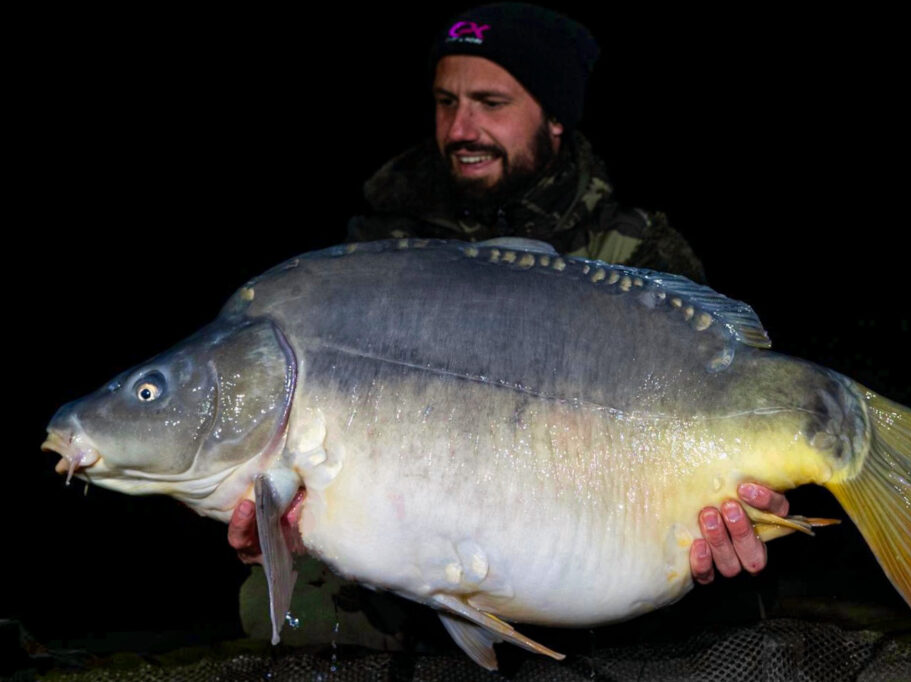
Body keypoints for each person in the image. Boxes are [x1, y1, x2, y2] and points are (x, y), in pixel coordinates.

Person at [228, 1, 790, 645]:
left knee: (726, 595)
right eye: (446, 102)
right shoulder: (380, 253)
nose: (460, 128)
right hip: (430, 553)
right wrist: (286, 532)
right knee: (277, 609)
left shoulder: (635, 254)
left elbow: (722, 409)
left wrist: (746, 506)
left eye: (491, 104)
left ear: (555, 118)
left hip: (591, 538)